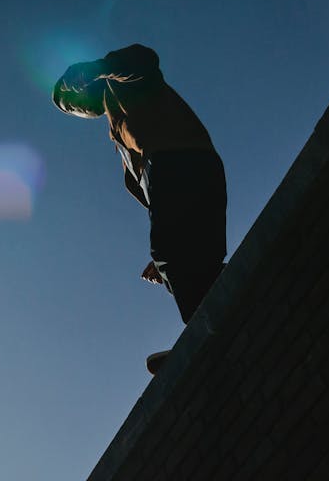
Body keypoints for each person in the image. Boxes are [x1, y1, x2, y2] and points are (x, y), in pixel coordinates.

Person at [52, 43, 226, 373]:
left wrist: (94, 68)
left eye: (72, 100)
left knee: (174, 253)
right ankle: (221, 303)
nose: (75, 106)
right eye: (70, 108)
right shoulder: (116, 129)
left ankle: (207, 330)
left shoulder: (124, 83)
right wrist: (167, 261)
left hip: (179, 161)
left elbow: (144, 60)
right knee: (196, 258)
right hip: (191, 173)